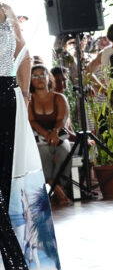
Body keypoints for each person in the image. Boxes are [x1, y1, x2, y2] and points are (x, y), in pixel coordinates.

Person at [0, 3, 62, 270]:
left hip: (8, 104)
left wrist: (23, 98)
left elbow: (23, 54)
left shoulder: (5, 10)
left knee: (10, 197)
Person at [27, 65, 71, 207]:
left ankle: (57, 186)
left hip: (58, 136)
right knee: (42, 152)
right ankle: (57, 189)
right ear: (30, 80)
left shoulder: (59, 97)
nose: (39, 79)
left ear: (48, 77)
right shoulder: (29, 99)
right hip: (39, 138)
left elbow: (62, 118)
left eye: (42, 75)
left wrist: (54, 133)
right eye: (35, 76)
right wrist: (46, 134)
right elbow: (31, 121)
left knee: (64, 150)